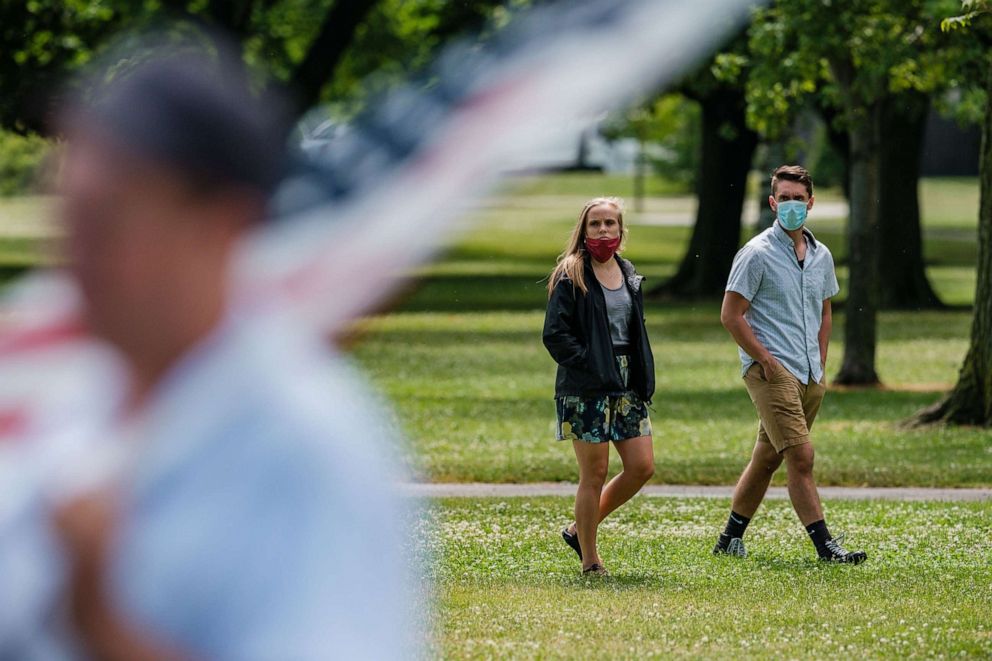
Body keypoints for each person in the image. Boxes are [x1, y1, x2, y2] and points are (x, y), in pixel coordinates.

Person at [47, 37, 417, 659]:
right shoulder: (70, 396)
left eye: (107, 223)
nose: (74, 260)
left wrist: (99, 623)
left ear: (220, 227)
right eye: (70, 220)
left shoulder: (305, 445)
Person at [713, 165, 866, 564]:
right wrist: (765, 359)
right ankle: (826, 547)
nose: (792, 205)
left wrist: (821, 360)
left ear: (810, 203)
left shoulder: (821, 255)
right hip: (771, 371)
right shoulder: (756, 253)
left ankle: (730, 538)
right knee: (802, 457)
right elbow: (731, 314)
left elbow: (825, 310)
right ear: (772, 202)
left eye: (799, 199)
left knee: (767, 457)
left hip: (810, 373)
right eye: (785, 198)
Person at [542, 197, 656, 576]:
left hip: (627, 383)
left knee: (641, 467)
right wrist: (590, 364)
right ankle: (590, 559)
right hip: (586, 386)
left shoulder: (627, 271)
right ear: (584, 230)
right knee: (595, 473)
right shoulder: (571, 272)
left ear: (621, 231)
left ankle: (579, 529)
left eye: (610, 223)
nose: (603, 230)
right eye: (596, 224)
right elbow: (555, 335)